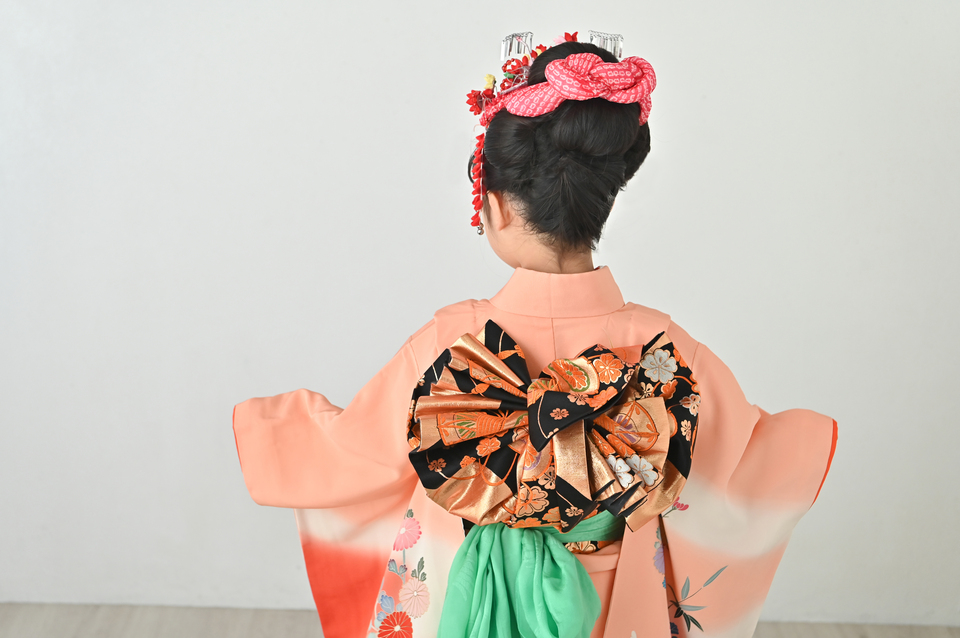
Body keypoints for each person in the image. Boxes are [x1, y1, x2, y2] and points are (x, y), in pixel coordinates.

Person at [232, 34, 838, 638]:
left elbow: (355, 454)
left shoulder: (448, 343)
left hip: (469, 591)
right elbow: (741, 465)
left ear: (494, 206)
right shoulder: (664, 348)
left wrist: (272, 431)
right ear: (604, 203)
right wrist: (802, 443)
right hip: (612, 601)